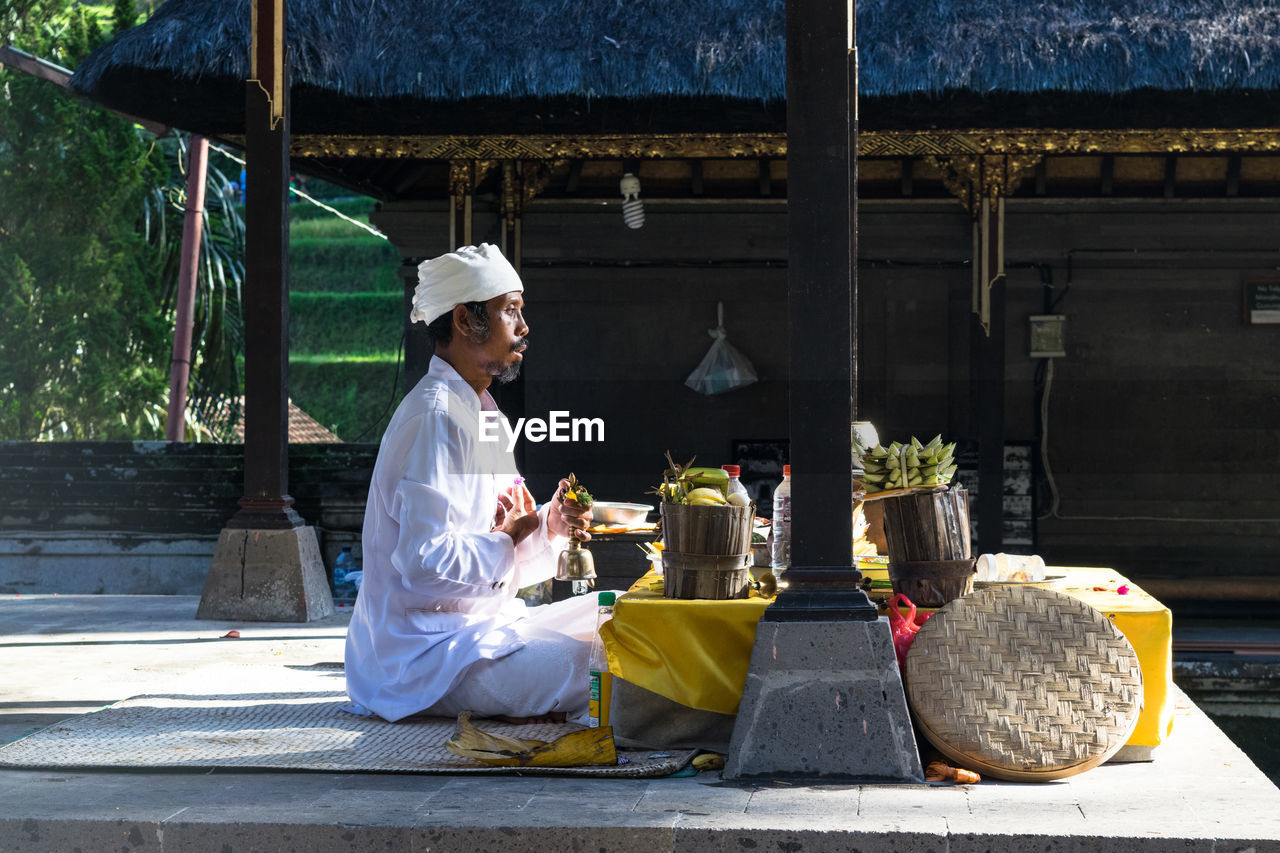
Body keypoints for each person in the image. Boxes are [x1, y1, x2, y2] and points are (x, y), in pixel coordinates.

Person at [344, 243, 603, 725]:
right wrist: (508, 537)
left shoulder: (484, 416)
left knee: (629, 622)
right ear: (465, 321)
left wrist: (548, 522)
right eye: (511, 311)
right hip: (422, 657)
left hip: (481, 629)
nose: (524, 327)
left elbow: (505, 558)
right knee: (600, 667)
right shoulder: (434, 417)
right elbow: (424, 562)